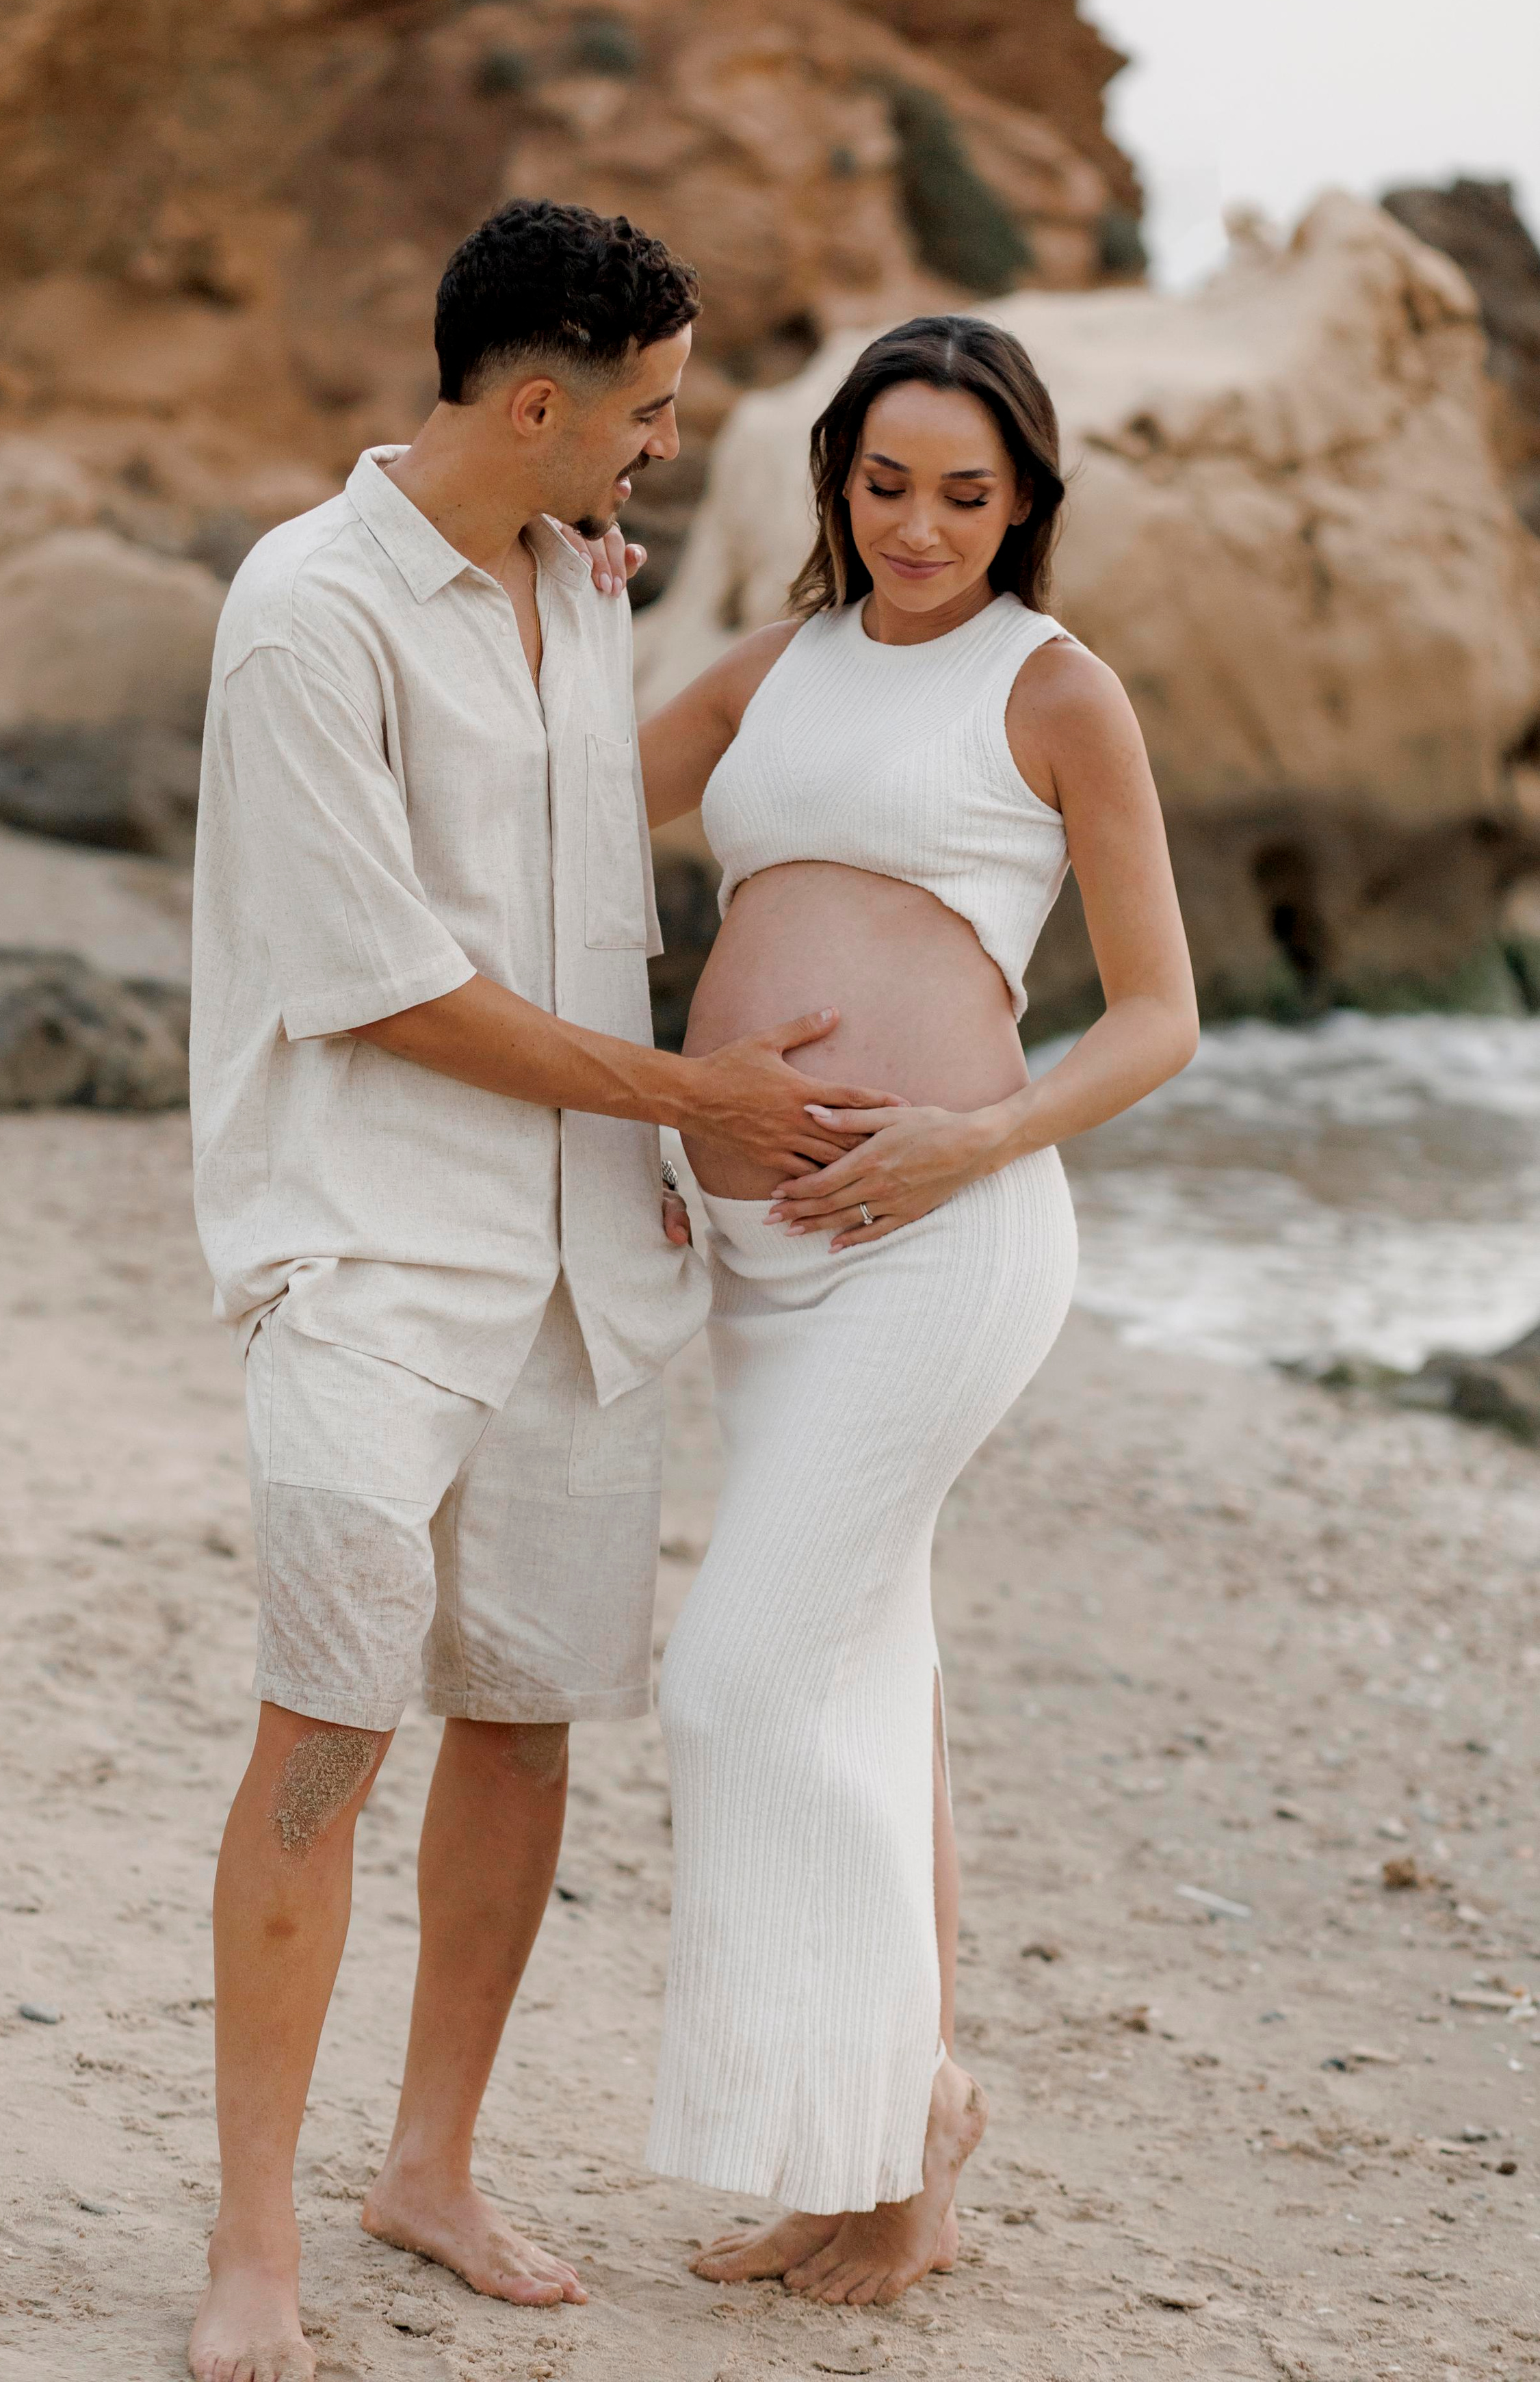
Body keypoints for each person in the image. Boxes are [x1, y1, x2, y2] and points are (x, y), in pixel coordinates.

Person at [184, 198, 898, 2382]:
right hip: (375, 1251)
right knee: (330, 1726)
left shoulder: (575, 585)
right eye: (652, 416)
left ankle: (429, 2165)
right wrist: (695, 1091)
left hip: (596, 1274)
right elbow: (386, 984)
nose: (665, 456)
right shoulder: (310, 617)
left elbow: (621, 827)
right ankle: (253, 2246)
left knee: (520, 1722)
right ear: (536, 400)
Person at [636, 316, 1199, 2307]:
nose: (921, 527)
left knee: (732, 1679)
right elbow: (571, 802)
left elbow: (1159, 1018)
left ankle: (920, 2117)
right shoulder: (777, 668)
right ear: (837, 484)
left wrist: (974, 1141)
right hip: (771, 1268)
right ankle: (863, 2164)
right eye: (886, 485)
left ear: (1027, 497)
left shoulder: (1056, 692)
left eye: (968, 493)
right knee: (869, 1700)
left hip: (944, 1243)